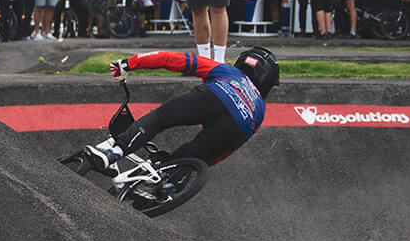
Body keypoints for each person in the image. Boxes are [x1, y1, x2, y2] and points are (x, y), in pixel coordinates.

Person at [78, 47, 279, 184]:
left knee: (159, 118)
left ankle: (114, 153)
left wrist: (130, 63)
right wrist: (198, 163)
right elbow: (229, 149)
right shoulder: (260, 109)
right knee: (187, 156)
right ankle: (169, 186)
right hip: (239, 126)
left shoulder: (228, 72)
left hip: (217, 94)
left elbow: (173, 60)